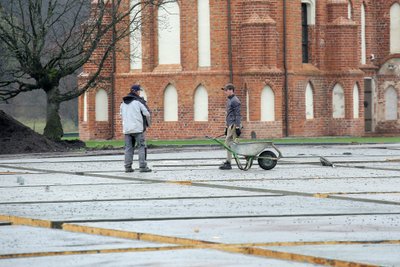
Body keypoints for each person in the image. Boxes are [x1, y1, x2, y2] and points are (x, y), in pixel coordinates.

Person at [120, 84, 152, 173]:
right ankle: (142, 166)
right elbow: (147, 113)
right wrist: (147, 123)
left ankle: (128, 167)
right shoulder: (138, 102)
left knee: (128, 148)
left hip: (127, 129)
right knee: (141, 146)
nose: (139, 92)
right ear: (136, 91)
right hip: (138, 129)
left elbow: (121, 115)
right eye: (139, 91)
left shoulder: (122, 104)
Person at [219, 83, 242, 170]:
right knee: (232, 144)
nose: (225, 92)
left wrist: (237, 127)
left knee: (228, 143)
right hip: (230, 125)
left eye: (226, 90)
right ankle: (229, 161)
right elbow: (229, 114)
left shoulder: (235, 101)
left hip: (233, 125)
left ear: (231, 90)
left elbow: (238, 115)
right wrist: (226, 126)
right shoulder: (229, 100)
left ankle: (228, 163)